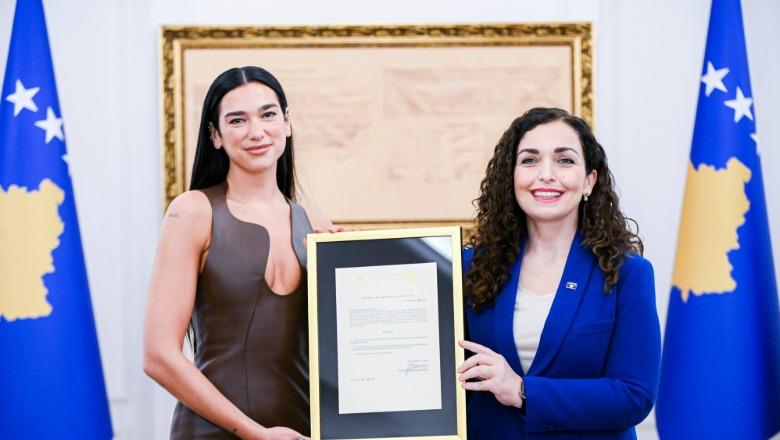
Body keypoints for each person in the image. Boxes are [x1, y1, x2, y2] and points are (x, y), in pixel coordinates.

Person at [143, 66, 334, 440]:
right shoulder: (193, 212)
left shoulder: (316, 222)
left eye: (267, 114)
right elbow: (158, 356)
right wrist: (255, 433)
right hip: (212, 433)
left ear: (287, 123)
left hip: (301, 432)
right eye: (237, 120)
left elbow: (342, 345)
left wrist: (355, 265)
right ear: (215, 135)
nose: (256, 131)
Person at [457, 107, 660, 439]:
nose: (546, 174)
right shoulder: (470, 268)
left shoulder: (626, 273)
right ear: (511, 177)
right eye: (530, 160)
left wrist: (523, 391)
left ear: (589, 181)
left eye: (564, 160)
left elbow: (634, 396)